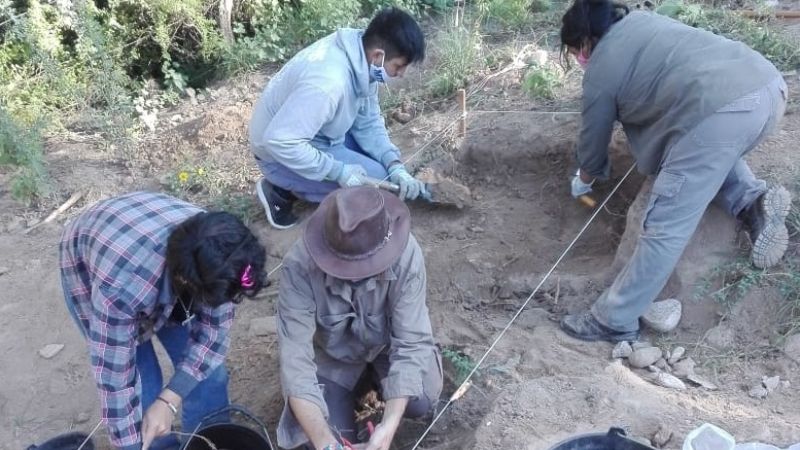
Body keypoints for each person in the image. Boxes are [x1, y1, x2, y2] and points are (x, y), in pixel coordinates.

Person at [558, 0, 791, 342]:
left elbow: (593, 141)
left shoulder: (601, 69)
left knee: (665, 222)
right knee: (703, 156)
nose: (578, 58)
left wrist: (585, 179)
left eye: (575, 50)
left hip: (719, 111)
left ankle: (614, 318)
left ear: (584, 41)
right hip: (768, 90)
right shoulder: (644, 23)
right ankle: (752, 202)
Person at [59, 192, 268, 450]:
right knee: (144, 387)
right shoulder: (122, 289)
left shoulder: (222, 257)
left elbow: (212, 339)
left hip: (152, 241)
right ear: (186, 283)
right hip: (97, 258)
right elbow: (117, 383)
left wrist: (170, 400)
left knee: (209, 378)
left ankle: (203, 443)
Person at [275, 186, 443, 450]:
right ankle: (351, 388)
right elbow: (295, 360)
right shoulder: (299, 266)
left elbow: (411, 343)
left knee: (420, 400)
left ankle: (376, 382)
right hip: (333, 358)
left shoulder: (406, 255)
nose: (355, 276)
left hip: (386, 348)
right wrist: (325, 443)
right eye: (343, 268)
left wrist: (387, 428)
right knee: (318, 435)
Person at [249, 7, 428, 230]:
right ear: (378, 56)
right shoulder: (328, 83)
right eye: (399, 67)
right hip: (277, 152)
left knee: (384, 173)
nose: (401, 74)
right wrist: (339, 172)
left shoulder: (362, 55)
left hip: (316, 130)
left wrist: (395, 165)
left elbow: (369, 123)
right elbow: (279, 142)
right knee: (375, 192)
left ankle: (304, 179)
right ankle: (280, 188)